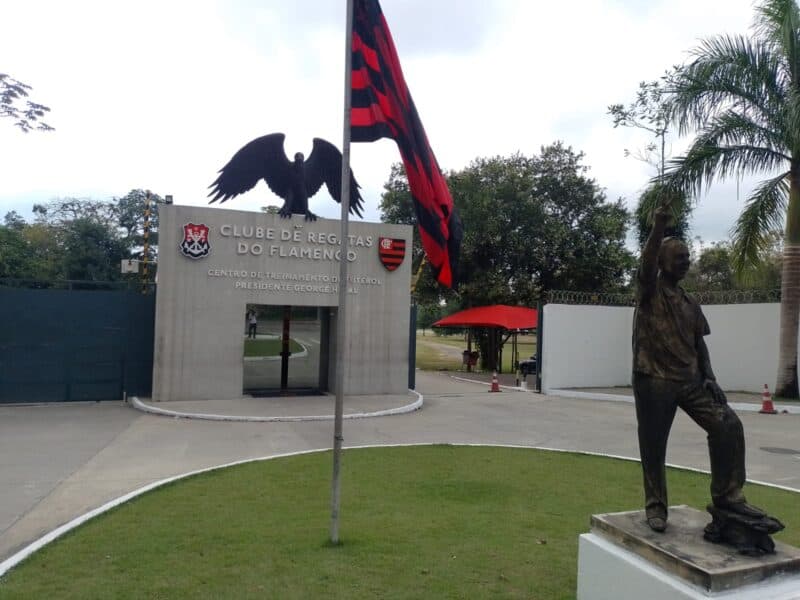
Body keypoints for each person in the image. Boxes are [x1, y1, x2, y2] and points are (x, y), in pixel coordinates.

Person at [632, 201, 763, 533]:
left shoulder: (691, 302)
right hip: (654, 379)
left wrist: (710, 376)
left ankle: (728, 495)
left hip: (691, 380)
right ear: (662, 262)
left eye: (688, 257)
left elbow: (699, 343)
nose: (686, 262)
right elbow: (644, 267)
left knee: (728, 425)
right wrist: (659, 227)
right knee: (653, 445)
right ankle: (656, 507)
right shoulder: (649, 292)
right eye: (679, 257)